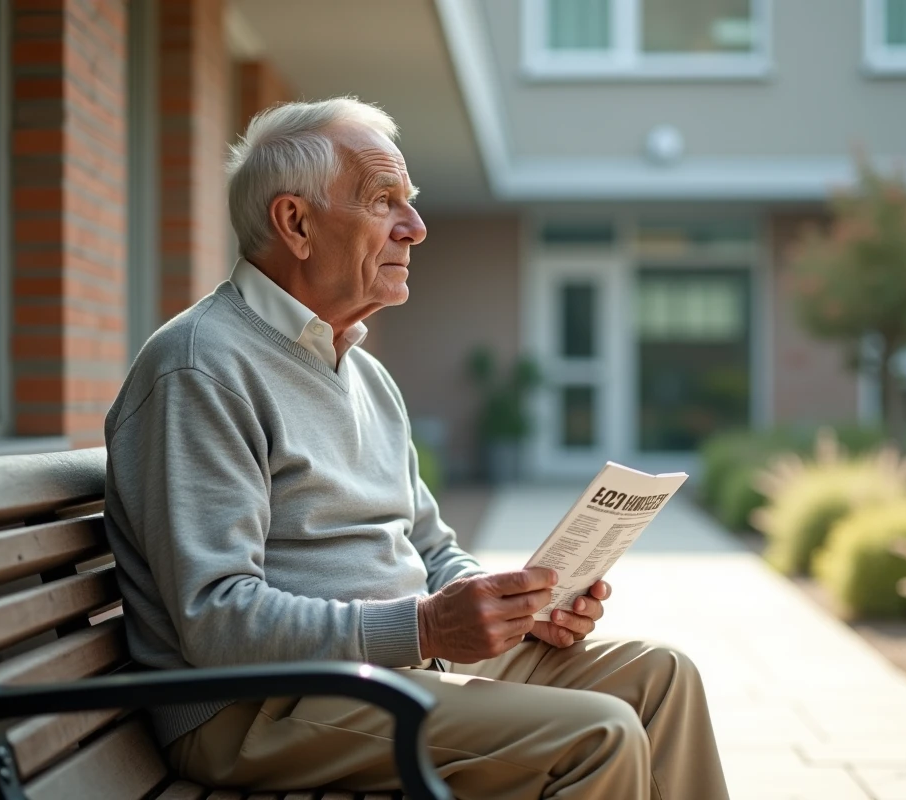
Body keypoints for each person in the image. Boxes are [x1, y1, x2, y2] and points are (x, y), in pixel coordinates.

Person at [103, 96, 728, 800]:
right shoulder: (200, 367)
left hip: (392, 668)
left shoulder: (365, 373)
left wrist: (515, 609)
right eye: (383, 201)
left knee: (662, 678)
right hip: (259, 704)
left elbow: (430, 547)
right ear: (296, 223)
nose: (416, 227)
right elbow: (216, 618)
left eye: (412, 200)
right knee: (599, 735)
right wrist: (424, 626)